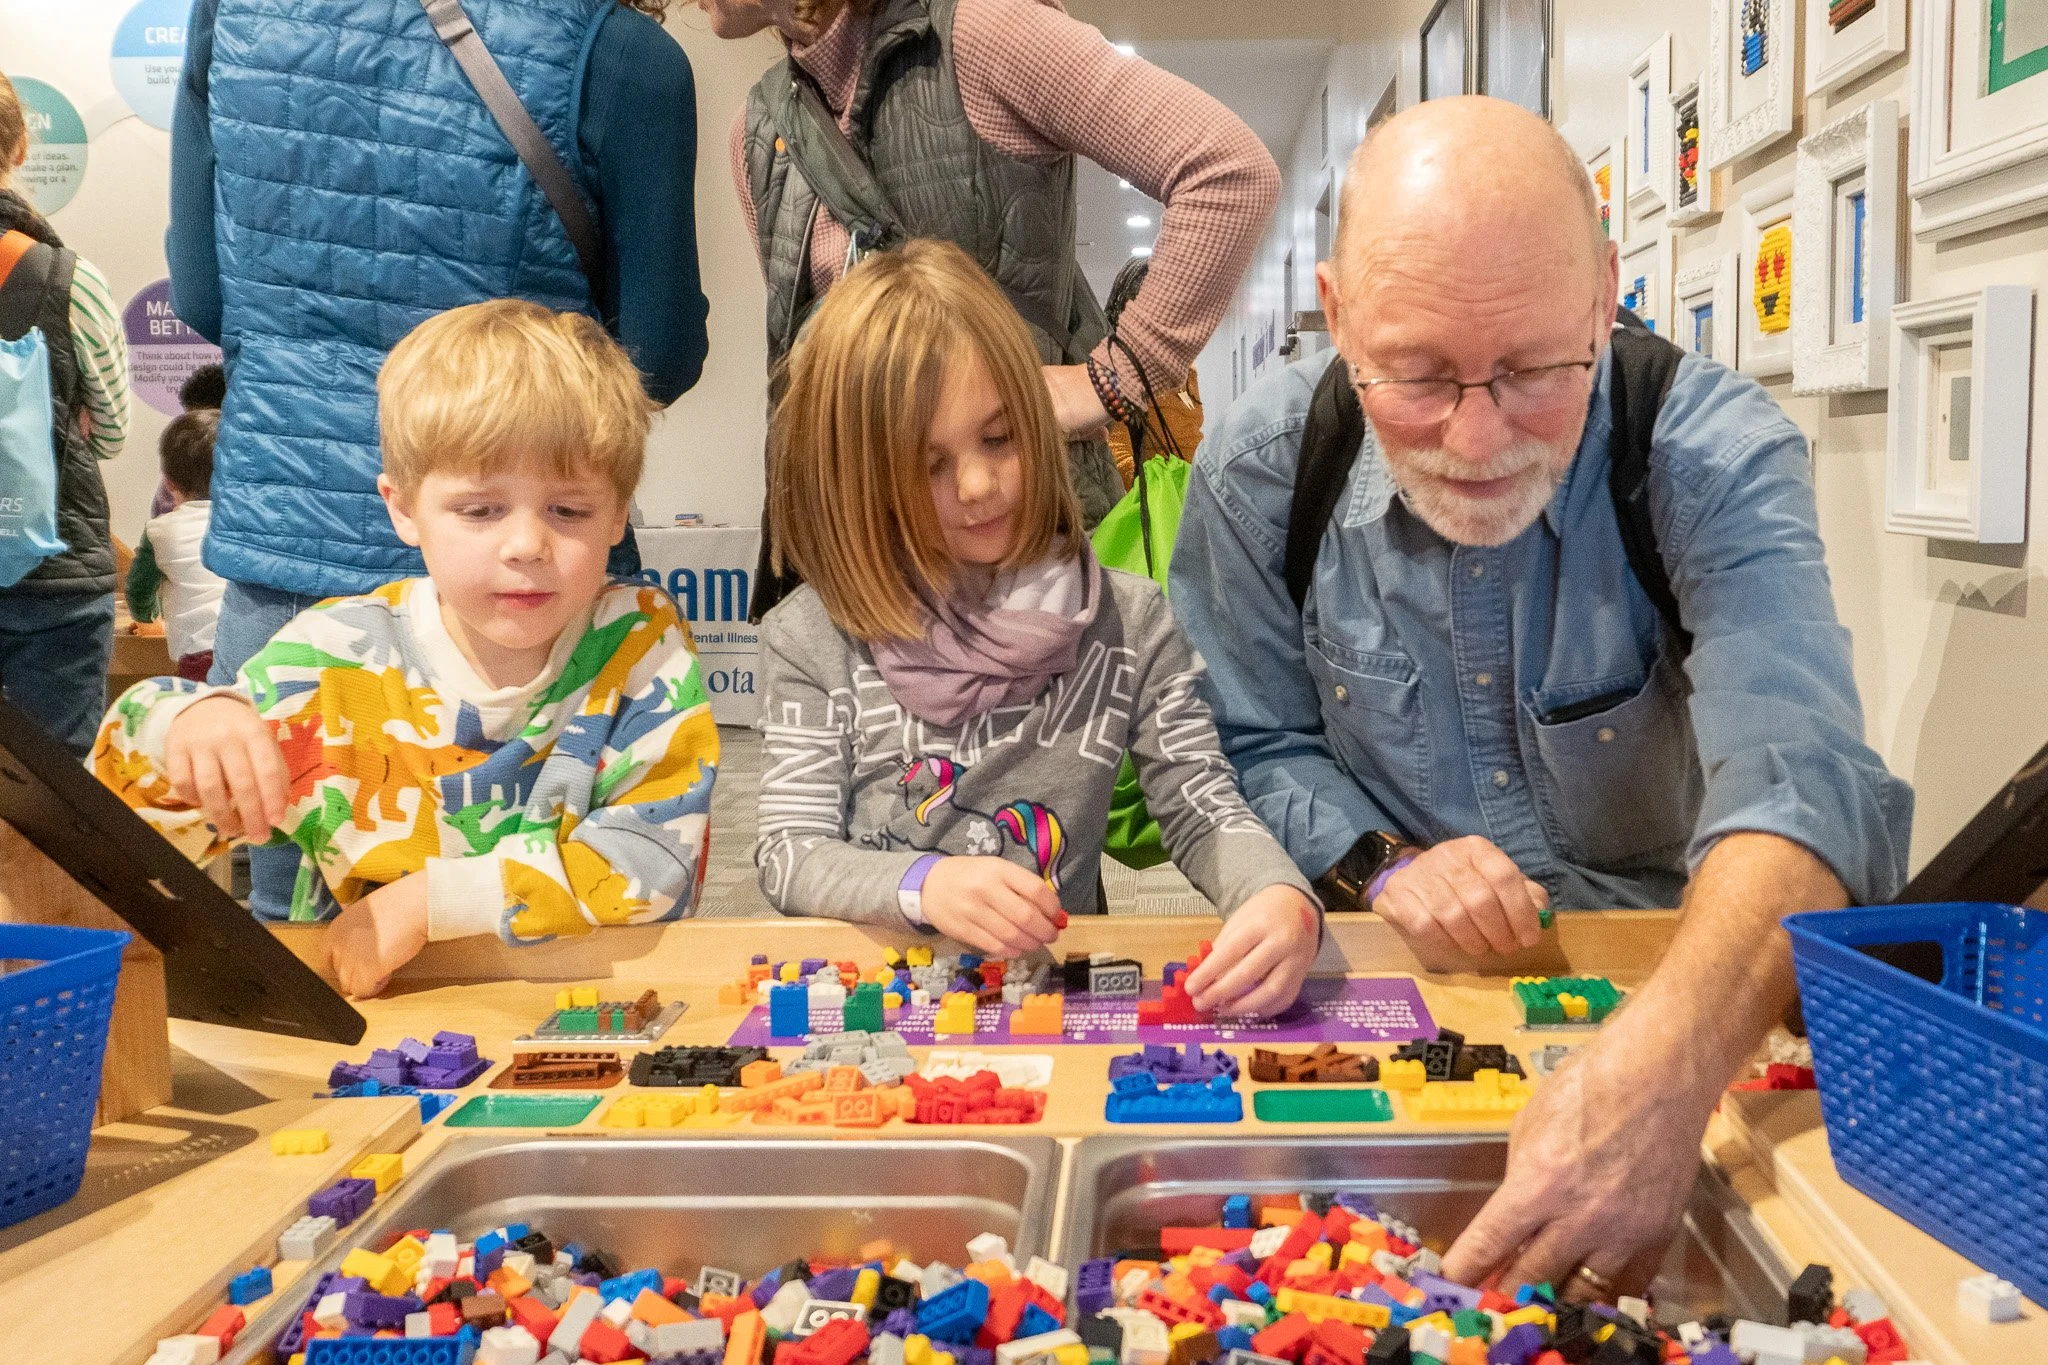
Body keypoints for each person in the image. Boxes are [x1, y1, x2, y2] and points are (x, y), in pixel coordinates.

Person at [1170, 98, 1912, 1292]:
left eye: (1530, 370)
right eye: (1414, 376)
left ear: (1601, 294)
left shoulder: (1711, 450)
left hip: (1681, 981)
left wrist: (1662, 1069)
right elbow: (1251, 741)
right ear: (1336, 314)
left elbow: (1806, 782)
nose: (1475, 437)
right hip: (1389, 982)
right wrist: (1381, 859)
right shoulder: (1259, 468)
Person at [168, 0, 711, 923]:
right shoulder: (618, 54)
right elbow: (656, 347)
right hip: (554, 592)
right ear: (401, 503)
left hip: (293, 550)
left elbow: (203, 294)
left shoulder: (233, 13)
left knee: (306, 955)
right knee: (568, 976)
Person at [753, 240, 1319, 1016]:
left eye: (1000, 437)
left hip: (1048, 1003)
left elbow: (1201, 801)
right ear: (864, 478)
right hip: (880, 1002)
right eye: (930, 465)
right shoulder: (810, 636)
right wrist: (925, 884)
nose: (982, 485)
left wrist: (1275, 892)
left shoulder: (1133, 620)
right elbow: (789, 853)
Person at [93, 300, 721, 998]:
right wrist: (183, 721)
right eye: (480, 509)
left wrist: (431, 901)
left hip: (588, 1005)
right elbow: (126, 829)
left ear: (617, 513)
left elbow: (656, 859)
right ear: (402, 507)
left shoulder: (637, 640)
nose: (526, 546)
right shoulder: (332, 658)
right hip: (374, 1020)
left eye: (568, 510)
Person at [703, 0, 1279, 615]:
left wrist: (1112, 380)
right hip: (870, 577)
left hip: (1025, 559)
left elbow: (1229, 172)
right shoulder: (759, 132)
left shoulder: (981, 34)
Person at [0, 73, 132, 757]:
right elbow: (109, 431)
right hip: (52, 578)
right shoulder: (66, 277)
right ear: (20, 146)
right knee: (55, 808)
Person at [128, 408, 228, 682]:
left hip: (199, 656)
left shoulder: (161, 530)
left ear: (169, 483)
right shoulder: (243, 523)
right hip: (252, 646)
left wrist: (148, 621)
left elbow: (138, 589)